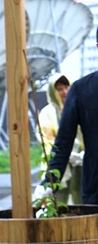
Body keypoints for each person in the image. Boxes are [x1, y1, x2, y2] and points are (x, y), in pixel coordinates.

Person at [36, 28, 98, 205]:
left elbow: (62, 143)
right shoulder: (81, 90)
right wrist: (48, 183)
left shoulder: (82, 89)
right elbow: (63, 144)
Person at [36, 73, 83, 204]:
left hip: (78, 162)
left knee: (78, 195)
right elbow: (47, 138)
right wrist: (65, 154)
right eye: (60, 89)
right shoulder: (48, 113)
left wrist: (81, 155)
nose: (64, 92)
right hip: (59, 162)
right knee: (59, 197)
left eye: (67, 87)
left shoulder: (76, 108)